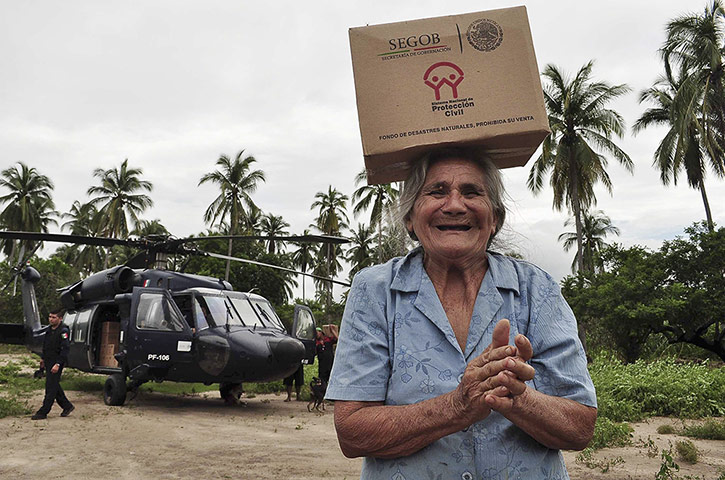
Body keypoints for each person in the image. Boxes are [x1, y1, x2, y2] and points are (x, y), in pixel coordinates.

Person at [326, 147, 597, 479]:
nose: (454, 205)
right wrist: (456, 407)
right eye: (437, 191)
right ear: (410, 217)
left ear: (494, 217)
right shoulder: (375, 290)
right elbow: (352, 432)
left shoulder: (537, 289)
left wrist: (517, 398)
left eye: (472, 192)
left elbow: (580, 427)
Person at [32, 308, 75, 420]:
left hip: (57, 362)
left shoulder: (63, 331)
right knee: (54, 385)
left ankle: (43, 412)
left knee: (50, 387)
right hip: (48, 360)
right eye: (50, 317)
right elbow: (46, 345)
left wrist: (58, 364)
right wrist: (42, 358)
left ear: (60, 318)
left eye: (54, 317)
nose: (51, 319)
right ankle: (67, 406)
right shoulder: (49, 330)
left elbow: (65, 349)